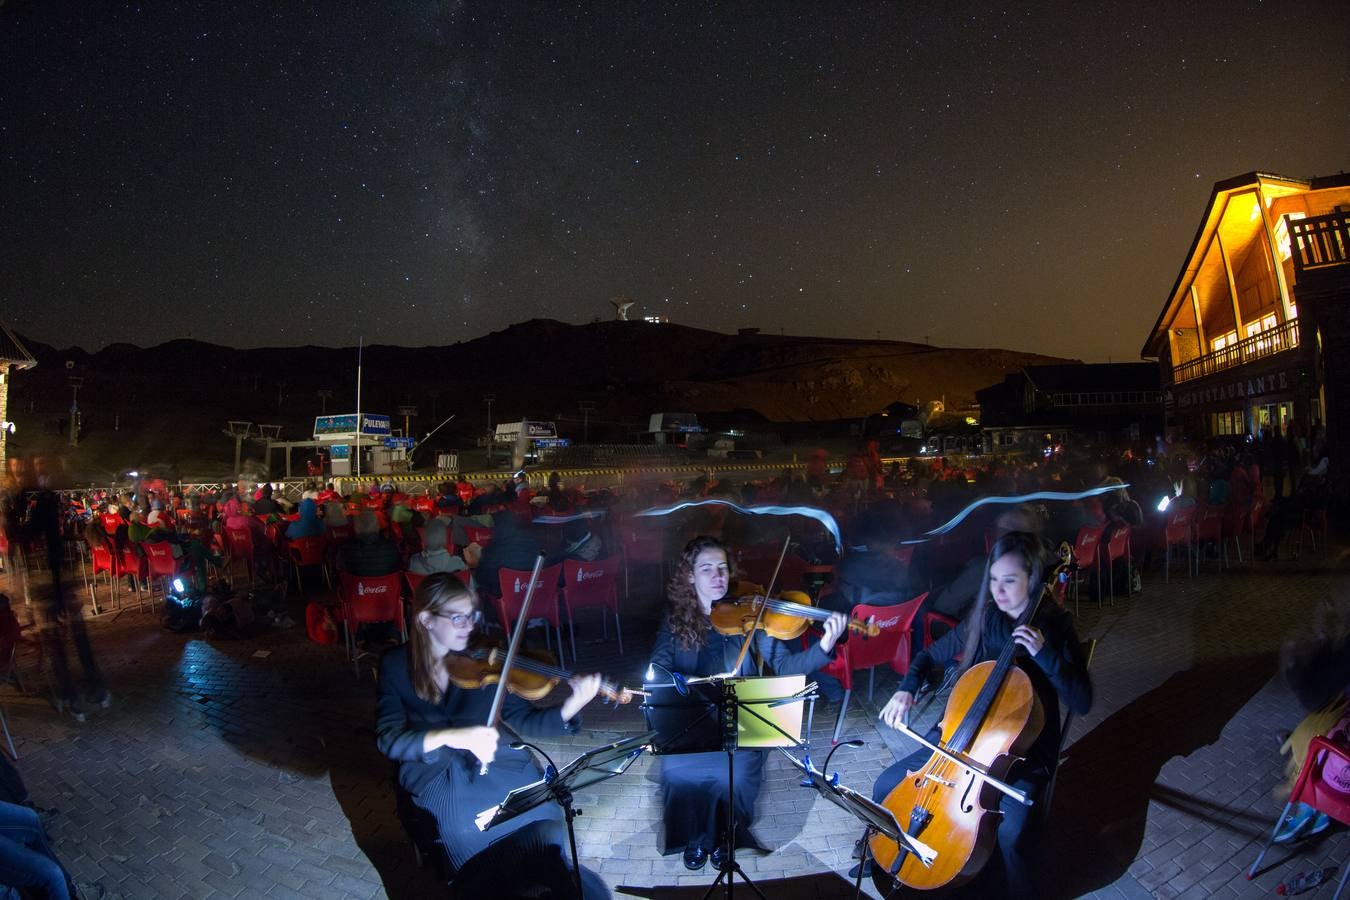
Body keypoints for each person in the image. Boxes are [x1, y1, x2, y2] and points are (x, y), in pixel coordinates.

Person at [870, 532, 1092, 898]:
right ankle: (892, 861)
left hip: (1019, 751)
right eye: (993, 580)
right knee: (885, 786)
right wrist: (906, 688)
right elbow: (928, 656)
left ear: (1034, 580)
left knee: (1011, 832)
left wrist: (1046, 656)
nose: (999, 591)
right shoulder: (988, 616)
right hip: (957, 737)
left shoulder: (1056, 626)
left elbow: (1080, 700)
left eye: (1010, 581)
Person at [375, 575, 605, 897]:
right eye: (457, 617)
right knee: (465, 830)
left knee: (546, 810)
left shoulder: (486, 659)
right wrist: (451, 737)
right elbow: (388, 739)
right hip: (437, 771)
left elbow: (523, 719)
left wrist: (570, 707)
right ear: (426, 619)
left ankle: (543, 881)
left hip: (497, 761)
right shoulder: (396, 665)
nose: (468, 626)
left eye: (472, 616)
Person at [649, 536, 848, 871]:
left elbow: (785, 666)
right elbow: (659, 666)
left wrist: (824, 645)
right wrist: (674, 683)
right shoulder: (675, 621)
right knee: (678, 772)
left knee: (739, 776)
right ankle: (696, 838)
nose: (717, 576)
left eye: (722, 568)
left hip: (743, 720)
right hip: (694, 720)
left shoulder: (751, 615)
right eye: (707, 568)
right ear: (689, 576)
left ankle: (727, 837)